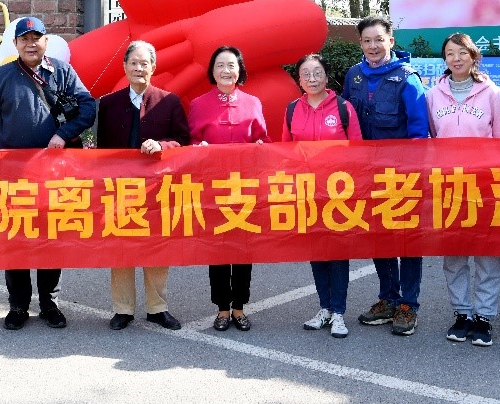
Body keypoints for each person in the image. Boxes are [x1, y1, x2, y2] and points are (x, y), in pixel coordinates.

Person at [0, 15, 97, 331]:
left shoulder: (62, 72)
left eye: (36, 38)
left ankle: (49, 303)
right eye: (25, 39)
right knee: (15, 238)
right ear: (15, 44)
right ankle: (18, 305)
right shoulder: (2, 76)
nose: (31, 44)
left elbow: (88, 108)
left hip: (54, 172)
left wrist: (64, 133)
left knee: (51, 237)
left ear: (46, 41)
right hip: (12, 174)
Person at [342, 15, 428, 336]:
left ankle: (408, 304)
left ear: (391, 41)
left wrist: (414, 173)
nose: (373, 46)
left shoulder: (407, 78)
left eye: (379, 39)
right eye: (367, 40)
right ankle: (388, 298)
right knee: (379, 237)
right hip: (367, 174)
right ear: (360, 43)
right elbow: (346, 122)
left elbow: (419, 131)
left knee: (407, 239)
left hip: (402, 175)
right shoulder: (354, 76)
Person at [96, 40, 190, 332]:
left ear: (153, 67)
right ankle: (122, 309)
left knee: (157, 246)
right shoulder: (109, 104)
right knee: (121, 246)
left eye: (144, 63)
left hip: (157, 188)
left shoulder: (169, 101)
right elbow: (102, 148)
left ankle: (157, 308)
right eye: (133, 63)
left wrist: (162, 145)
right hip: (119, 188)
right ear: (125, 66)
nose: (139, 68)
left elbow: (183, 141)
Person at [425, 33, 500, 347]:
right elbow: (431, 138)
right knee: (454, 254)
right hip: (448, 185)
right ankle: (462, 313)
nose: (456, 58)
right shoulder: (433, 95)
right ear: (444, 59)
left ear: (473, 56)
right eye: (450, 53)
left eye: (462, 53)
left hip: (484, 185)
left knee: (487, 253)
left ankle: (484, 317)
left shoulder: (492, 94)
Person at [188, 45, 267, 332]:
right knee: (218, 249)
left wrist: (261, 146)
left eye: (231, 65)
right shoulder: (199, 104)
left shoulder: (252, 103)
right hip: (213, 188)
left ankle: (239, 308)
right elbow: (190, 142)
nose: (226, 70)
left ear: (239, 70)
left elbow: (263, 140)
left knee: (243, 249)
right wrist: (198, 148)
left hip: (245, 187)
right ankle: (222, 308)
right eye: (220, 65)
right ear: (212, 71)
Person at [283, 53, 361, 340]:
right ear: (299, 80)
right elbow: (285, 152)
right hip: (307, 192)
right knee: (317, 251)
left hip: (339, 193)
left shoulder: (343, 108)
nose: (312, 78)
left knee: (337, 252)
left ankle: (339, 311)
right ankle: (324, 308)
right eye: (306, 74)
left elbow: (358, 151)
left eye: (317, 73)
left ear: (327, 77)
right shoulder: (292, 109)